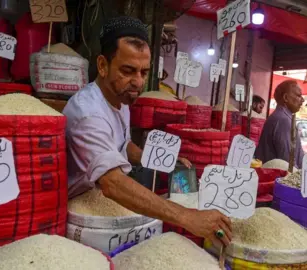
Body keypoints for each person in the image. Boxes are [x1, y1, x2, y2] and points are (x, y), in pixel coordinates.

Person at [63, 16, 232, 246]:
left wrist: (159, 159)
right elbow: (112, 183)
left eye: (144, 72)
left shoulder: (120, 100)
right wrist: (187, 217)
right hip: (81, 217)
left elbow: (122, 145)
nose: (138, 81)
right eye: (128, 70)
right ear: (102, 66)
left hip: (103, 205)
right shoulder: (88, 113)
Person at [255, 80, 305, 169]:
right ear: (286, 98)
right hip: (277, 177)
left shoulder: (282, 117)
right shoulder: (283, 120)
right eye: (298, 95)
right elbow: (288, 162)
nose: (302, 100)